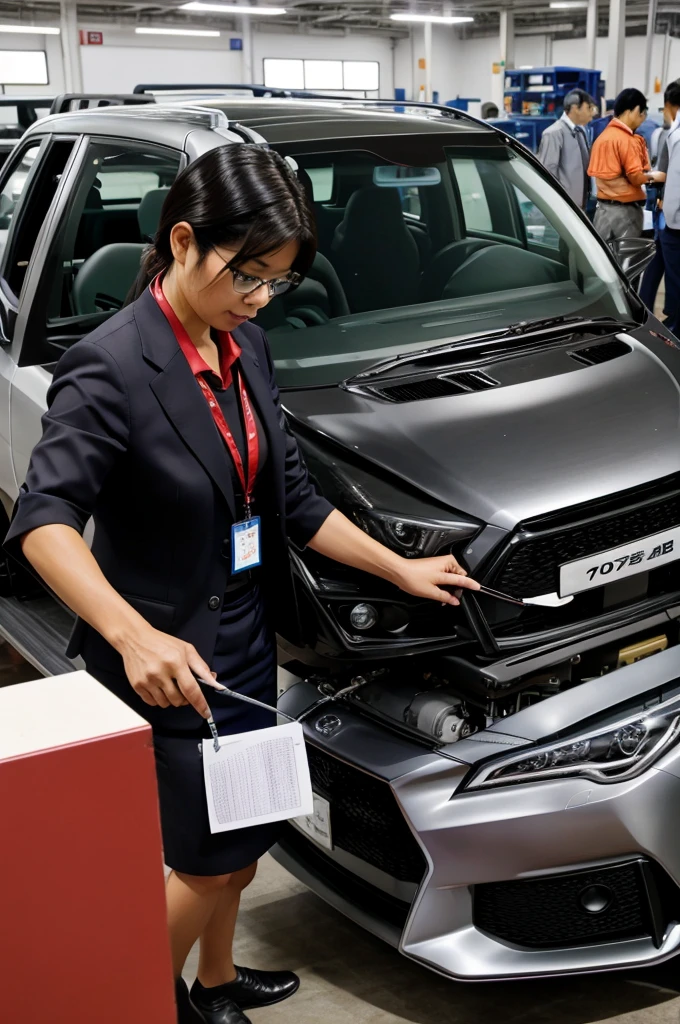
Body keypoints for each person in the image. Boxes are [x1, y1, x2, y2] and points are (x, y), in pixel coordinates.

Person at [2, 145, 481, 1024]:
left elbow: (291, 500)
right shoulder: (110, 367)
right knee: (205, 860)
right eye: (247, 275)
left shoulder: (245, 345)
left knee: (247, 839)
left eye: (277, 282)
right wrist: (131, 635)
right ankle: (137, 1001)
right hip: (167, 659)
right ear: (183, 242)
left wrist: (398, 565)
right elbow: (43, 522)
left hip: (246, 646)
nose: (260, 298)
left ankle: (215, 984)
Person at [588, 87, 663, 240]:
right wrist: (657, 176)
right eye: (642, 113)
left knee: (604, 258)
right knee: (626, 259)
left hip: (602, 211)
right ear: (634, 110)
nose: (643, 119)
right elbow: (636, 177)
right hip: (625, 213)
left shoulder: (602, 138)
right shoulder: (627, 140)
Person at [640, 80, 680, 314]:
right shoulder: (663, 134)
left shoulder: (671, 136)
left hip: (669, 218)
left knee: (671, 272)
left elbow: (668, 176)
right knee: (660, 265)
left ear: (670, 106)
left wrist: (639, 178)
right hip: (662, 214)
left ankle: (672, 320)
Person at [537, 88, 594, 208]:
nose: (591, 113)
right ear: (575, 108)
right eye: (588, 108)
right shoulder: (554, 133)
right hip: (563, 206)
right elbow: (548, 173)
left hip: (581, 205)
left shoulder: (581, 131)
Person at [660, 85, 680, 333]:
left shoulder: (676, 136)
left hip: (677, 226)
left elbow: (675, 184)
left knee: (675, 278)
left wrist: (668, 217)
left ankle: (676, 325)